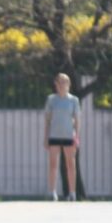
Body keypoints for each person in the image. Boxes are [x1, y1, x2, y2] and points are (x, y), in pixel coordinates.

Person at [44, 73, 80, 201]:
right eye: (59, 82)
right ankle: (52, 191)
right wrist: (46, 137)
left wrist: (77, 137)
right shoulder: (51, 99)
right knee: (53, 163)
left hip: (69, 135)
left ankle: (72, 192)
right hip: (54, 135)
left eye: (64, 82)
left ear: (68, 84)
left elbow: (77, 120)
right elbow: (47, 119)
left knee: (71, 164)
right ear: (56, 84)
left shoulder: (73, 100)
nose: (62, 85)